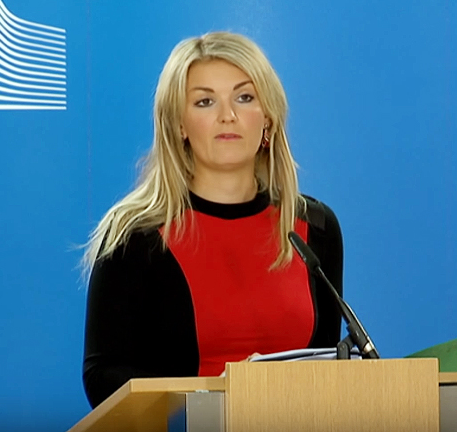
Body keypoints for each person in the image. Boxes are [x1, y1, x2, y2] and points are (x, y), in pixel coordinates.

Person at [81, 31, 344, 409]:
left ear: (268, 120)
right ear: (179, 125)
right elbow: (103, 375)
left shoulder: (314, 228)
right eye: (205, 101)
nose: (227, 115)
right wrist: (210, 398)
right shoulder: (135, 236)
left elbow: (328, 368)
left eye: (244, 97)